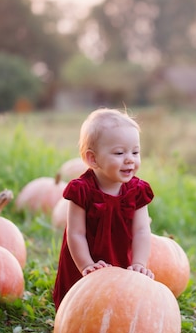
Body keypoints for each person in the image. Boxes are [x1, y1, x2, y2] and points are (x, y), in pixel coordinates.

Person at [52, 108, 155, 310]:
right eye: (119, 153)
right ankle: (74, 314)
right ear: (93, 159)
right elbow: (76, 233)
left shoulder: (136, 190)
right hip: (84, 259)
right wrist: (87, 266)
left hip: (118, 255)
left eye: (135, 152)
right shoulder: (81, 190)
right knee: (82, 304)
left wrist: (139, 263)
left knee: (117, 304)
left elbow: (142, 230)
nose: (130, 159)